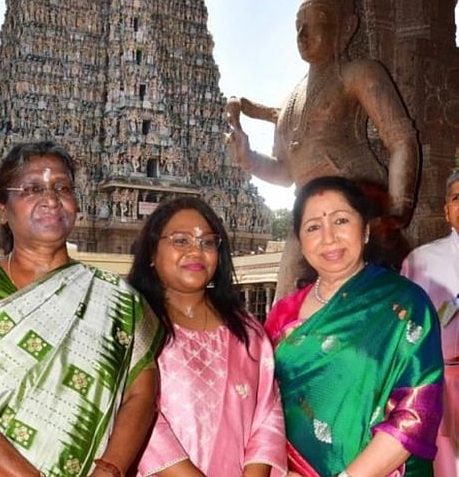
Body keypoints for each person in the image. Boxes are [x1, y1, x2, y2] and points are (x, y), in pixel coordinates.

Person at [0, 141, 162, 477]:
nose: (51, 199)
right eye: (32, 189)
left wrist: (109, 469)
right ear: (1, 207)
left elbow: (142, 393)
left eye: (62, 188)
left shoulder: (119, 298)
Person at [224, 0, 419, 301]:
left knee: (362, 305)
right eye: (298, 25)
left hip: (358, 205)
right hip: (309, 217)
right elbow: (286, 173)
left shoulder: (357, 73)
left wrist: (397, 209)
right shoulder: (291, 101)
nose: (302, 33)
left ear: (347, 27)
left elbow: (401, 139)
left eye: (315, 21)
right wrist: (248, 158)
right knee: (287, 305)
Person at [265, 176, 443, 476]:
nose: (329, 237)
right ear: (300, 241)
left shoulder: (404, 304)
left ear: (366, 230)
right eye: (313, 227)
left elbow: (417, 409)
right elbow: (262, 407)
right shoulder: (284, 313)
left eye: (341, 220)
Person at [128, 196, 286, 477]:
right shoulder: (133, 325)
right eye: (180, 241)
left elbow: (268, 414)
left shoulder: (248, 332)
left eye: (207, 243)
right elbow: (132, 412)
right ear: (152, 253)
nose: (195, 251)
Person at [401, 170, 459, 477]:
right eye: (457, 198)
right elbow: (401, 328)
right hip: (443, 379)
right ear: (446, 209)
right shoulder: (419, 261)